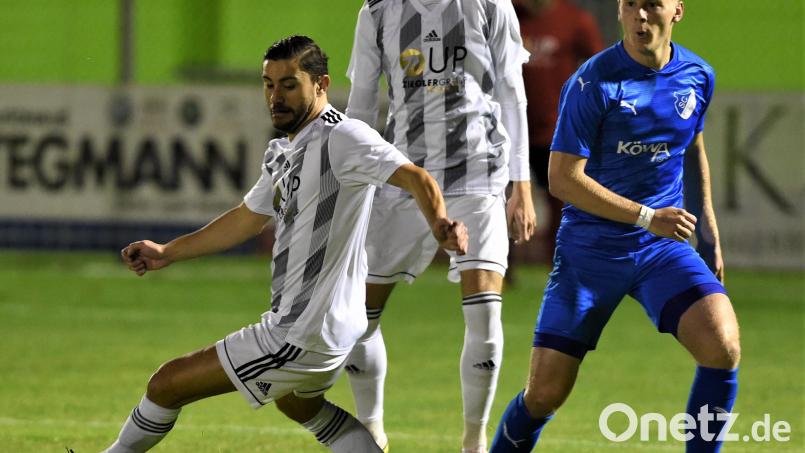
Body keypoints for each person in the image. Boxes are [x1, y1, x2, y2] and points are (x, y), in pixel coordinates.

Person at [101, 35, 468, 453]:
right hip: (328, 330)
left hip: (302, 332)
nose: (276, 95)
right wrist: (168, 252)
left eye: (289, 84)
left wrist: (440, 223)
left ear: (321, 84)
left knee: (166, 384)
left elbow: (416, 177)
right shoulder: (283, 150)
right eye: (268, 83)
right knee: (298, 404)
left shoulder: (344, 137)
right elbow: (246, 219)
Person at [490, 1, 740, 452]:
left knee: (722, 347)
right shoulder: (591, 82)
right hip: (591, 251)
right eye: (630, 6)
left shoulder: (698, 75)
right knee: (544, 394)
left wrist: (708, 231)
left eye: (652, 6)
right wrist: (646, 216)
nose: (640, 17)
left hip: (662, 249)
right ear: (620, 13)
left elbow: (691, 149)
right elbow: (563, 179)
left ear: (677, 11)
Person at [344, 1, 537, 452]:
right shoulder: (376, 12)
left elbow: (512, 90)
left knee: (486, 309)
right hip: (402, 176)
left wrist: (521, 186)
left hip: (479, 173)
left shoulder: (490, 5)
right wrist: (352, 179)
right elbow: (361, 103)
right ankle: (371, 431)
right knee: (359, 317)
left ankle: (474, 439)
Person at [515, 0, 604, 263]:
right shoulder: (506, 14)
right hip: (507, 130)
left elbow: (599, 68)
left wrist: (586, 110)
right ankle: (499, 269)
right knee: (500, 198)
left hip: (554, 129)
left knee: (562, 200)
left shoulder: (575, 20)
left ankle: (558, 266)